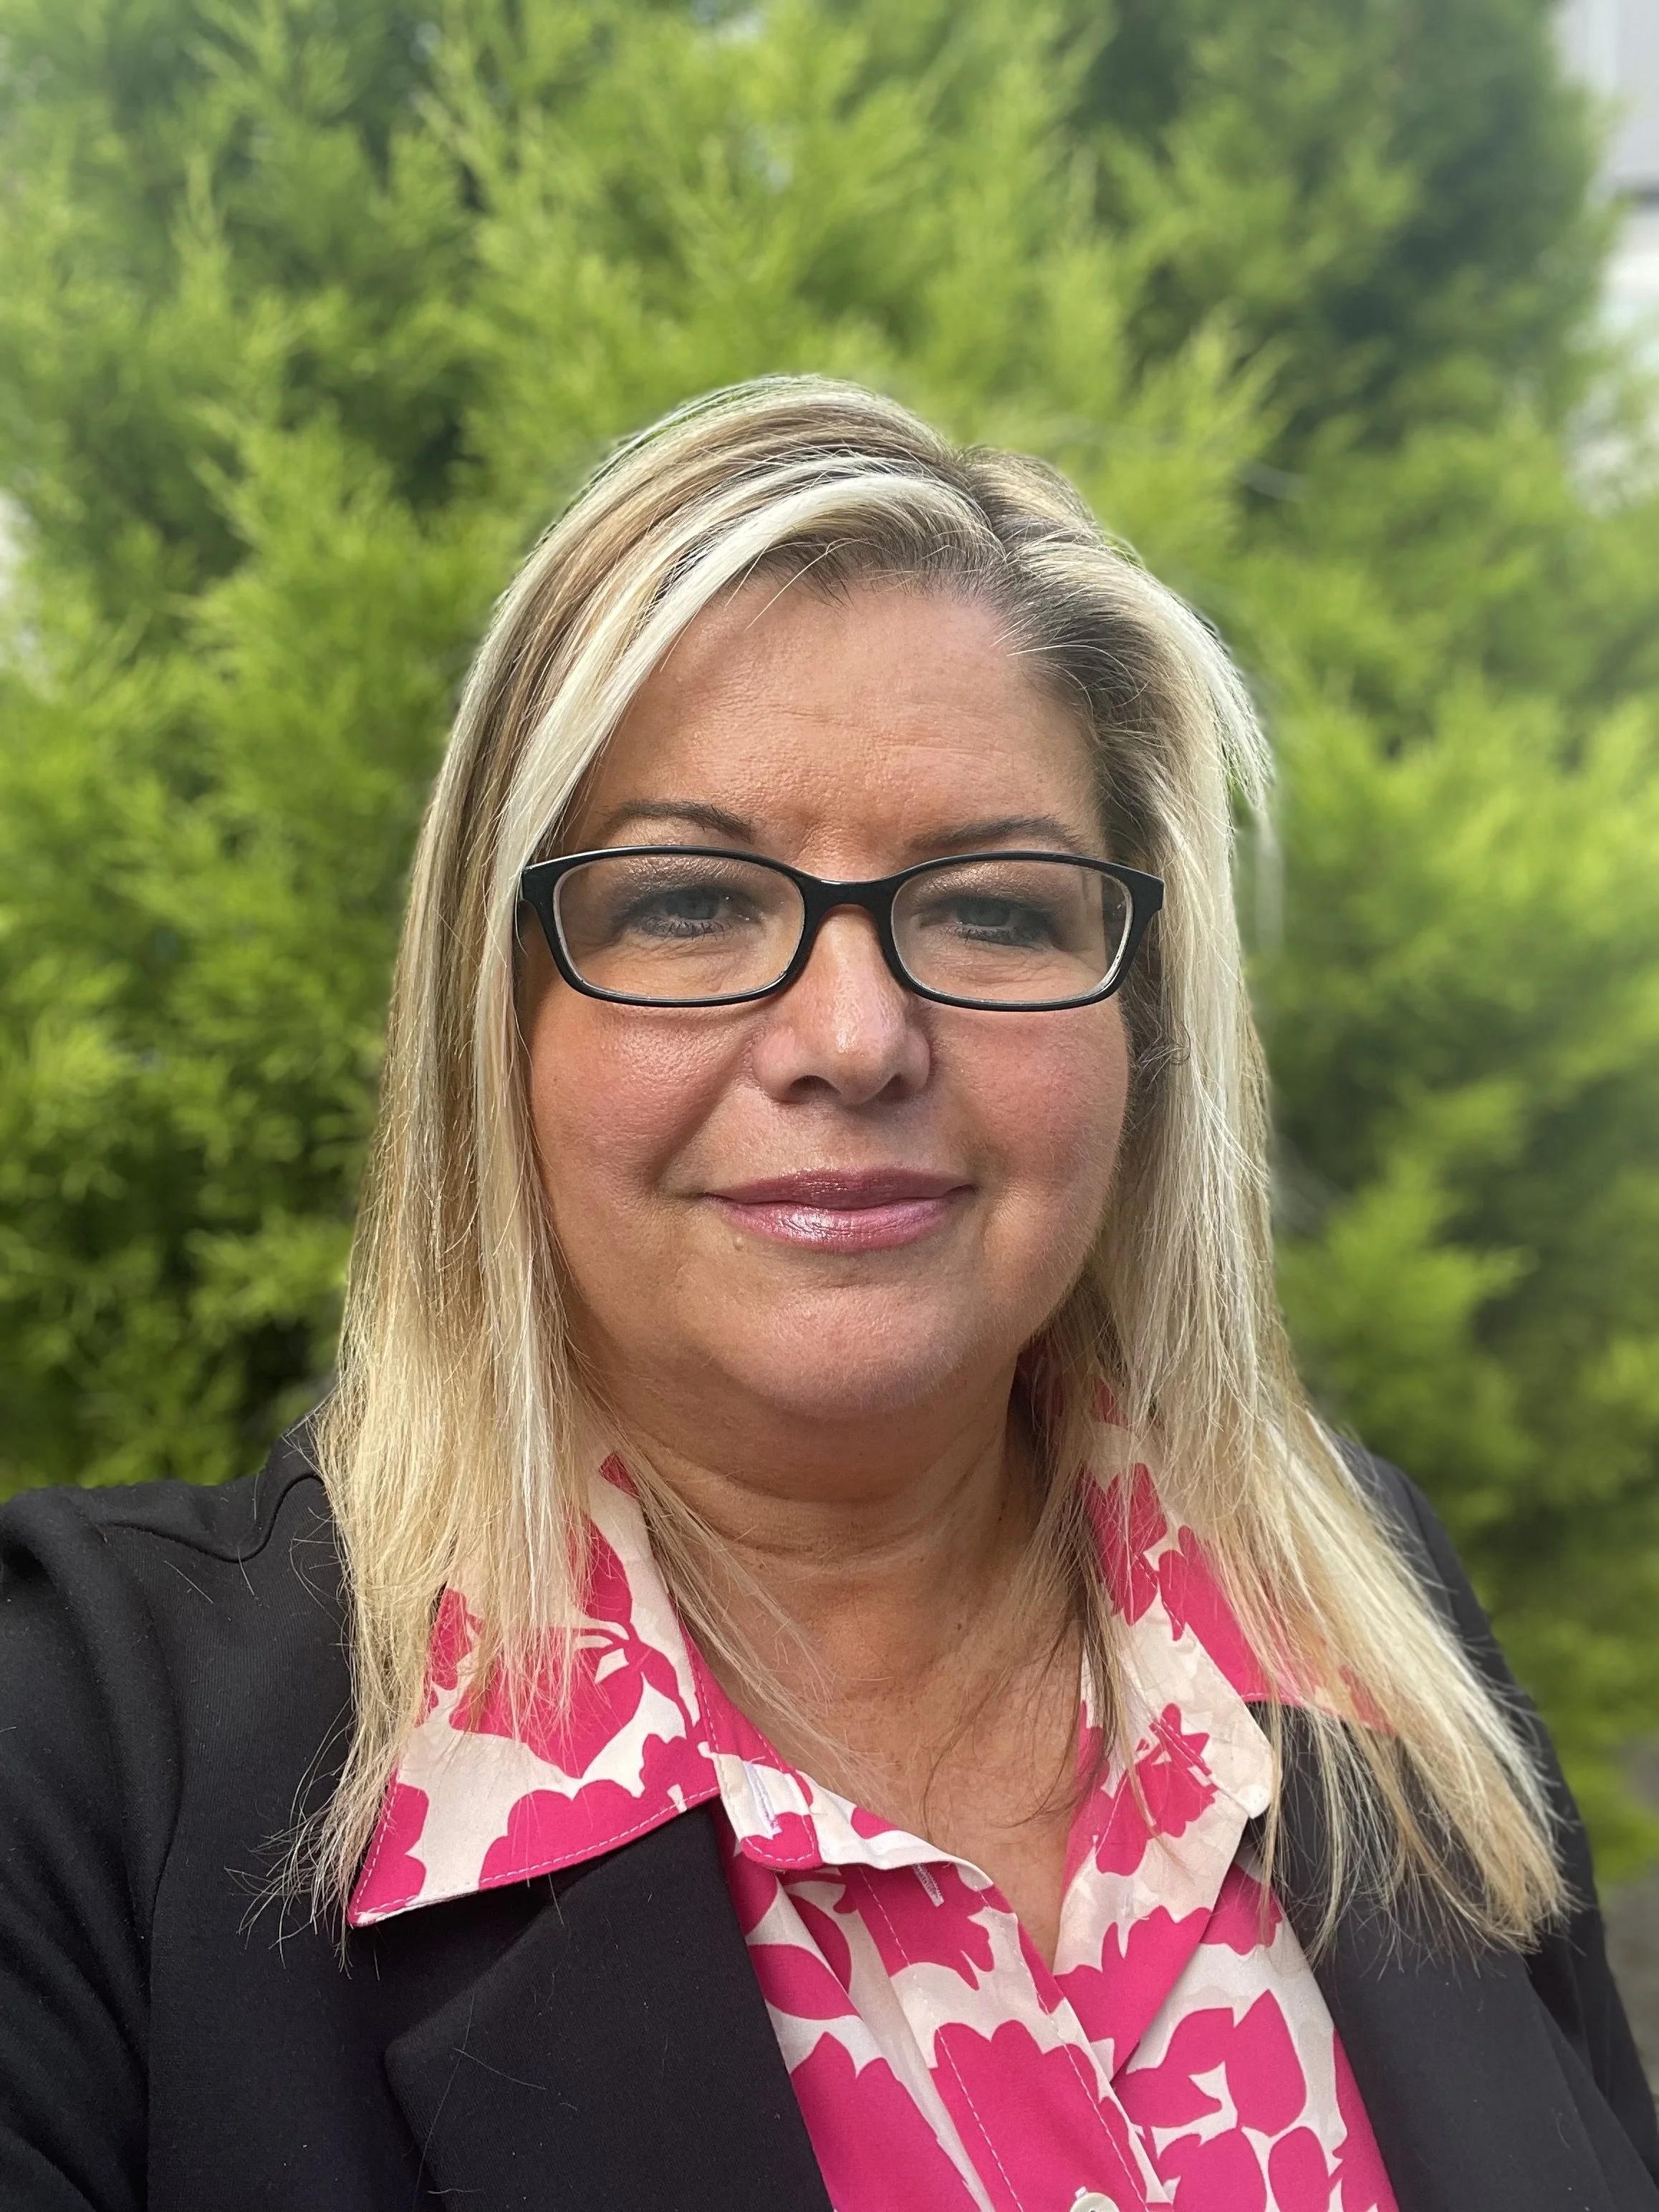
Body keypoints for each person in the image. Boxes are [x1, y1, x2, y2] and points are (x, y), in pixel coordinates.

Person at [1, 378, 1654, 2212]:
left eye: (995, 909)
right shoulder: (76, 1754)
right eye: (692, 903)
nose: (855, 1038)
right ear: (498, 1016)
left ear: (1145, 1030)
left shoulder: (1354, 1609)